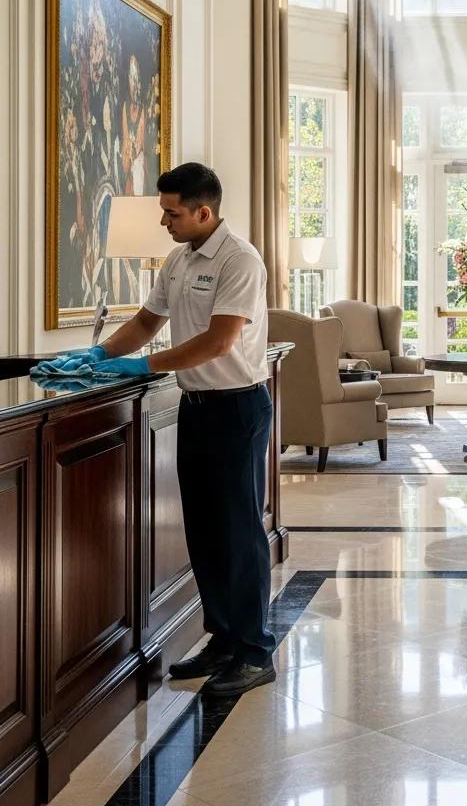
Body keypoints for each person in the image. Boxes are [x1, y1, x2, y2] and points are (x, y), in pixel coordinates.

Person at [42, 163, 275, 696]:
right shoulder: (179, 257)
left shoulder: (240, 260)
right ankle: (223, 641)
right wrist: (101, 353)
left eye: (172, 213)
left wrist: (143, 367)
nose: (164, 221)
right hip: (197, 406)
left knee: (239, 532)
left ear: (203, 212)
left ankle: (256, 650)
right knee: (205, 530)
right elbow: (147, 321)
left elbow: (220, 342)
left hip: (237, 408)